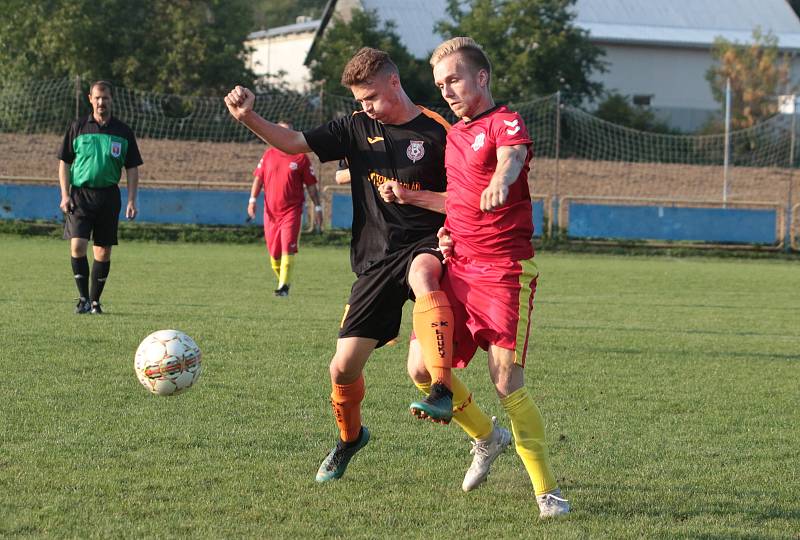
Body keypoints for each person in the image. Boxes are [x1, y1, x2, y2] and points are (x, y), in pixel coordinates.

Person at [225, 47, 509, 486]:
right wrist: (248, 118)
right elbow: (296, 143)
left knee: (424, 274)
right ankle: (350, 438)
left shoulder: (438, 132)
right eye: (359, 101)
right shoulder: (356, 126)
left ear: (394, 82)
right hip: (374, 258)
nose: (365, 108)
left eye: (371, 97)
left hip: (427, 242)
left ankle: (440, 387)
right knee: (342, 368)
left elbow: (463, 197)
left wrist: (449, 226)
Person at [427, 37, 570, 518]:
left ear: (481, 78)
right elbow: (457, 197)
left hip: (505, 268)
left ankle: (547, 493)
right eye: (440, 84)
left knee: (505, 378)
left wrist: (501, 180)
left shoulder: (505, 121)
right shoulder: (452, 135)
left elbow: (510, 158)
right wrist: (446, 230)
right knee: (425, 367)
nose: (447, 90)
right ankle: (487, 438)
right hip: (459, 264)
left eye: (454, 79)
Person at [58, 80, 142, 315]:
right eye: (97, 98)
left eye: (105, 98)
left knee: (102, 251)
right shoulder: (78, 127)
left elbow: (132, 168)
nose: (101, 102)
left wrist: (132, 199)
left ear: (111, 100)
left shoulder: (122, 132)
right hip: (80, 195)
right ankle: (83, 298)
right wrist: (65, 195)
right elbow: (64, 162)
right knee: (78, 245)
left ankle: (95, 301)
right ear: (90, 99)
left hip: (109, 196)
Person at [247, 120, 323, 297]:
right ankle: (283, 281)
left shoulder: (300, 157)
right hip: (270, 212)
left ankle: (283, 288)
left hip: (292, 211)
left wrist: (318, 208)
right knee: (274, 256)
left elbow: (311, 186)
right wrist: (252, 200)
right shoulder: (268, 155)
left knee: (287, 248)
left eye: (286, 132)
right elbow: (258, 179)